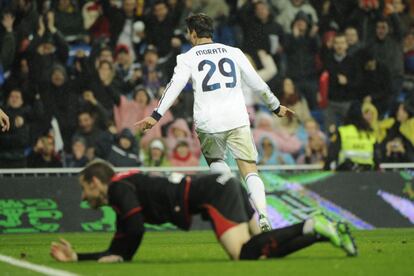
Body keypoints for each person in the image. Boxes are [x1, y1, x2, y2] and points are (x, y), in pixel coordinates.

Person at [135, 13, 294, 232]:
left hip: (208, 122)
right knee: (249, 170)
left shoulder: (188, 57)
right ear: (211, 32)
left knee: (216, 163)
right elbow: (257, 83)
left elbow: (174, 86)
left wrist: (156, 115)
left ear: (192, 33)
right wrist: (275, 106)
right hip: (237, 118)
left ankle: (235, 209)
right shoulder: (234, 52)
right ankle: (263, 215)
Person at [50, 160, 357, 263]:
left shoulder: (117, 189)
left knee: (243, 254)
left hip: (213, 192)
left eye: (84, 188)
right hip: (222, 185)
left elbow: (133, 233)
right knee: (262, 249)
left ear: (95, 182)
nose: (83, 196)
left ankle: (312, 223)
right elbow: (123, 241)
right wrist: (81, 257)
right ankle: (318, 231)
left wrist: (116, 254)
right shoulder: (123, 188)